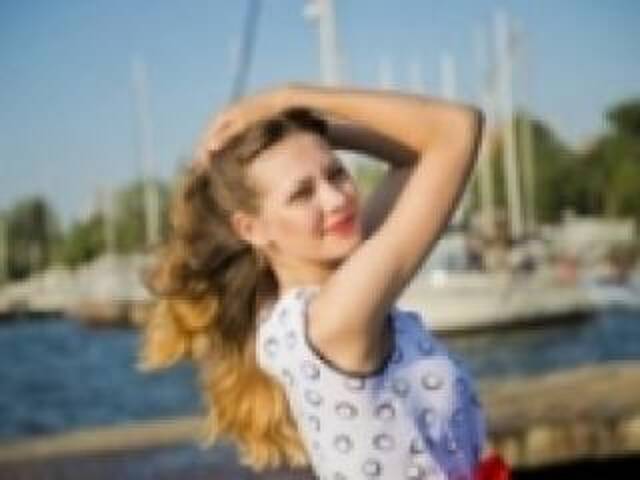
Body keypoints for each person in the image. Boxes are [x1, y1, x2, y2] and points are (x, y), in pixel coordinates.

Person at [138, 84, 489, 479]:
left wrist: (313, 130)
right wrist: (290, 98)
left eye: (336, 173)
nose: (335, 199)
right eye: (302, 194)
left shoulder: (309, 301)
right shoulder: (334, 318)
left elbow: (412, 159)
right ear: (252, 229)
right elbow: (456, 129)